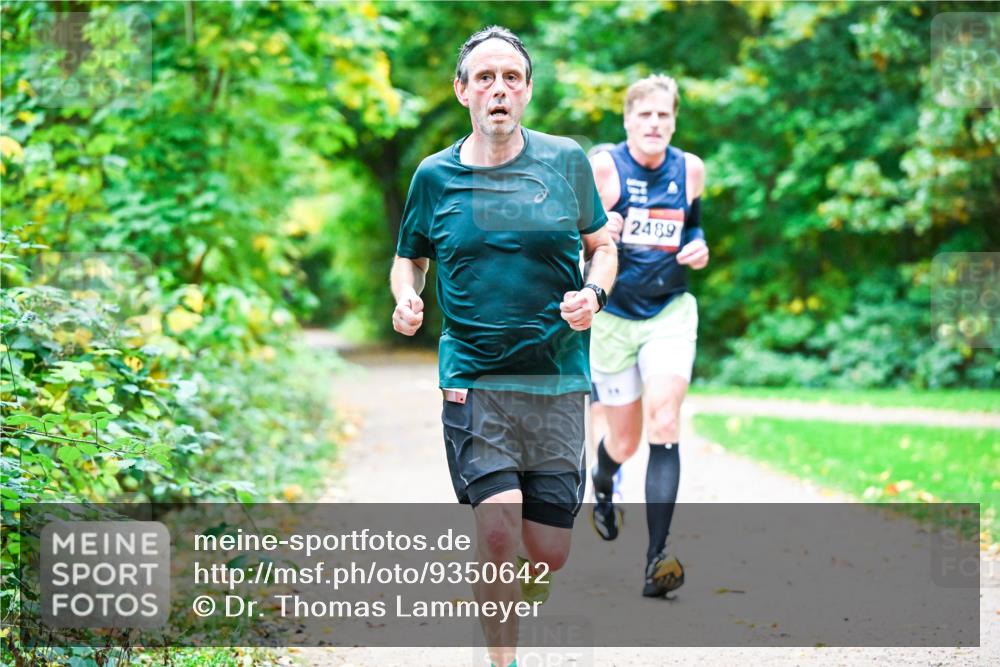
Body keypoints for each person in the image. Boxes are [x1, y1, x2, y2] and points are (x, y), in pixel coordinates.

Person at [390, 26, 617, 667]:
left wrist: (594, 294)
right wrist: (406, 297)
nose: (498, 89)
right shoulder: (434, 176)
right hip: (474, 378)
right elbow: (410, 258)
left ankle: (522, 579)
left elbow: (602, 247)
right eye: (485, 78)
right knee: (496, 533)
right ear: (462, 91)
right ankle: (504, 660)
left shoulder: (565, 161)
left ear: (527, 91)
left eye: (511, 78)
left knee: (548, 552)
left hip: (555, 378)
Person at [587, 74, 709, 598]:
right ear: (628, 121)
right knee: (625, 440)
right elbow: (568, 234)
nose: (655, 124)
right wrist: (599, 234)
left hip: (669, 312)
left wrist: (699, 246)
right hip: (613, 318)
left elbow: (693, 225)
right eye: (645, 115)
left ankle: (657, 559)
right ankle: (603, 479)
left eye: (664, 115)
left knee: (664, 420)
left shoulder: (691, 169)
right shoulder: (604, 167)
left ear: (674, 121)